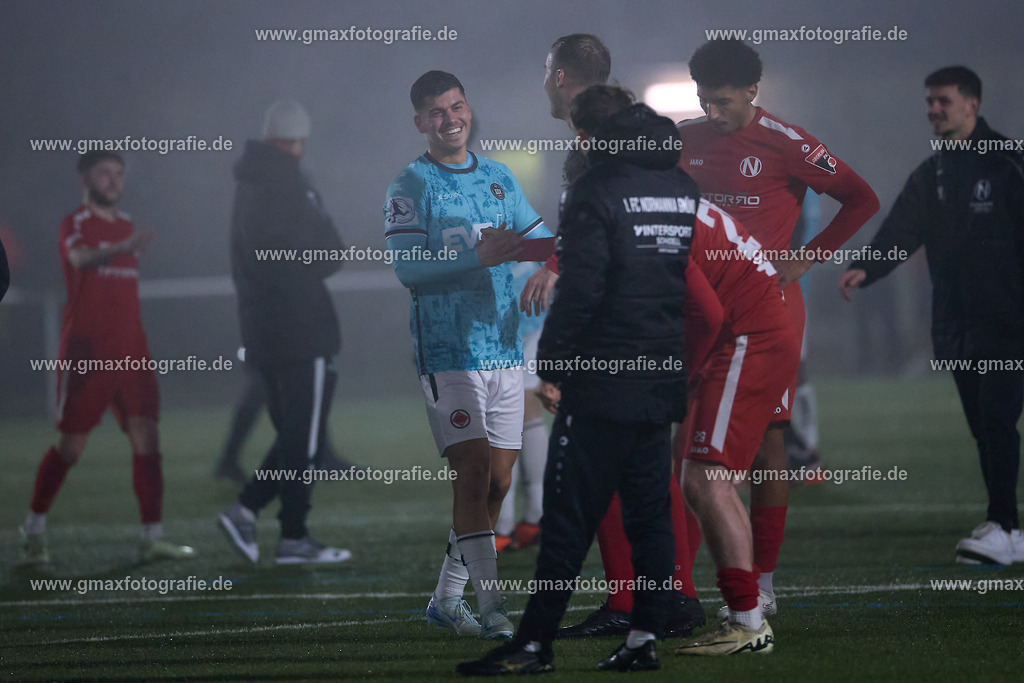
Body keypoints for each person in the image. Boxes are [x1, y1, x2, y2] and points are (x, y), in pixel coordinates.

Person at [458, 86, 697, 676]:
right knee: (649, 513)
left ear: (594, 137)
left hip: (604, 377)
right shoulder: (680, 189)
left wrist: (555, 364)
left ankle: (534, 644)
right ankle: (644, 638)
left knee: (567, 517)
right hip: (659, 370)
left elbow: (584, 287)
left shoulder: (596, 189)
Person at [677, 39, 879, 613]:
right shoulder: (682, 142)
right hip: (699, 315)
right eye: (701, 100)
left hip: (766, 315)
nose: (711, 112)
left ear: (751, 92)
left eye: (721, 101)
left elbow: (861, 199)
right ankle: (679, 585)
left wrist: (809, 254)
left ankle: (760, 583)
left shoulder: (786, 143)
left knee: (768, 446)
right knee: (688, 447)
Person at [524, 32, 705, 642]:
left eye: (547, 70)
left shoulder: (600, 169)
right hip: (658, 348)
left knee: (579, 496)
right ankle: (647, 612)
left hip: (620, 354)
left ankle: (542, 639)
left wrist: (556, 360)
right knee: (646, 491)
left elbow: (600, 269)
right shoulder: (659, 165)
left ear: (559, 78)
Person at [384, 70, 552, 639]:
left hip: (505, 350)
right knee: (473, 473)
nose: (450, 119)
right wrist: (477, 260)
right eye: (437, 112)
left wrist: (551, 267)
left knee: (498, 484)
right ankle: (494, 610)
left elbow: (540, 236)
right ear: (420, 122)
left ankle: (444, 599)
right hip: (449, 353)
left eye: (457, 106)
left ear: (468, 109)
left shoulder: (500, 177)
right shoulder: (411, 184)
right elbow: (408, 270)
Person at [840, 66, 1024, 566]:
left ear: (972, 104)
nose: (933, 111)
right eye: (929, 102)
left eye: (942, 101)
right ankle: (1007, 526)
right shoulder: (933, 172)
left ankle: (1004, 525)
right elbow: (903, 228)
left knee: (997, 420)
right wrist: (866, 268)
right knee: (983, 426)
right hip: (956, 324)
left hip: (1008, 324)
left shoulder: (1008, 163)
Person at [19, 151, 195, 564]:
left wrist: (127, 242)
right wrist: (123, 247)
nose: (114, 181)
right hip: (89, 353)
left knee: (147, 439)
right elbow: (79, 259)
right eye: (105, 173)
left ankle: (152, 536)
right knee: (70, 447)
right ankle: (34, 527)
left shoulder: (129, 225)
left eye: (119, 174)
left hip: (133, 352)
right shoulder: (76, 223)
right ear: (85, 178)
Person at [217, 99, 351, 565]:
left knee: (295, 436)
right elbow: (326, 250)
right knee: (304, 439)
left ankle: (286, 533)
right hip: (299, 326)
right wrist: (321, 256)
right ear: (297, 140)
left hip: (265, 328)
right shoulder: (287, 182)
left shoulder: (249, 185)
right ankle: (261, 517)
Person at [674, 200, 800, 655]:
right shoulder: (667, 196)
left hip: (745, 336)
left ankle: (748, 622)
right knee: (702, 476)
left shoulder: (651, 209)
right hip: (746, 330)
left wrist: (682, 374)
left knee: (706, 478)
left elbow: (705, 313)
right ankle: (746, 612)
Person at [493, 262, 549, 554]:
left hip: (493, 311)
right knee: (528, 411)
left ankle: (501, 527)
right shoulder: (525, 219)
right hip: (532, 301)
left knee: (498, 418)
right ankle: (536, 517)